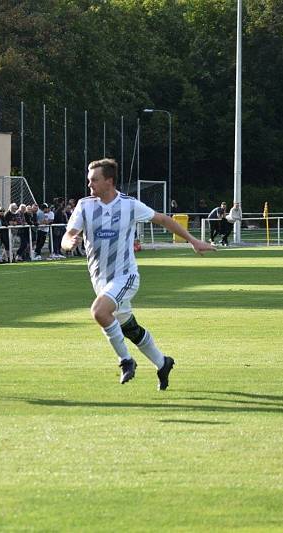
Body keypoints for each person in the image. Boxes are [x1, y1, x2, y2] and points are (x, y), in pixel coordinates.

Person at [61, 158, 215, 390]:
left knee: (99, 312)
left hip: (126, 276)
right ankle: (163, 363)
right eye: (89, 180)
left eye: (94, 180)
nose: (89, 185)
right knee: (129, 328)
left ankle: (126, 361)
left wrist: (193, 241)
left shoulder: (129, 205)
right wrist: (68, 242)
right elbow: (67, 236)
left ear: (109, 181)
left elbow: (163, 219)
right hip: (100, 280)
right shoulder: (85, 205)